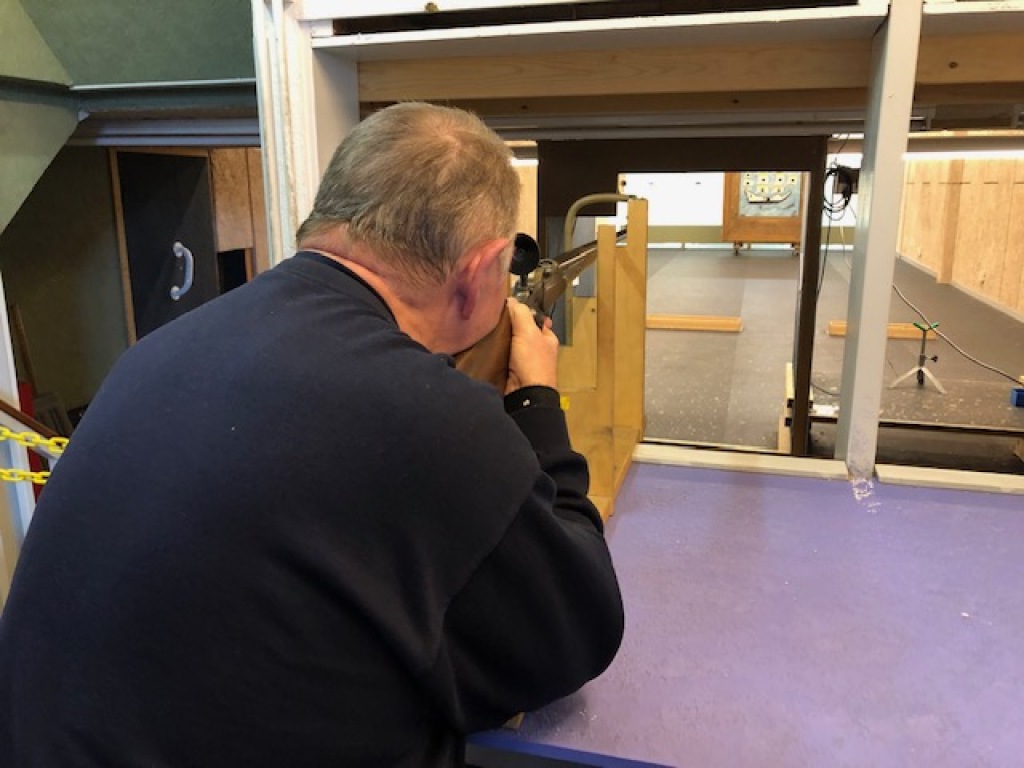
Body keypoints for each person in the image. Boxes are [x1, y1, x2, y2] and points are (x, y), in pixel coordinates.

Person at [0, 102, 624, 767]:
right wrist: (536, 399)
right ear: (482, 269)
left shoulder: (153, 353)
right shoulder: (430, 414)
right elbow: (576, 630)